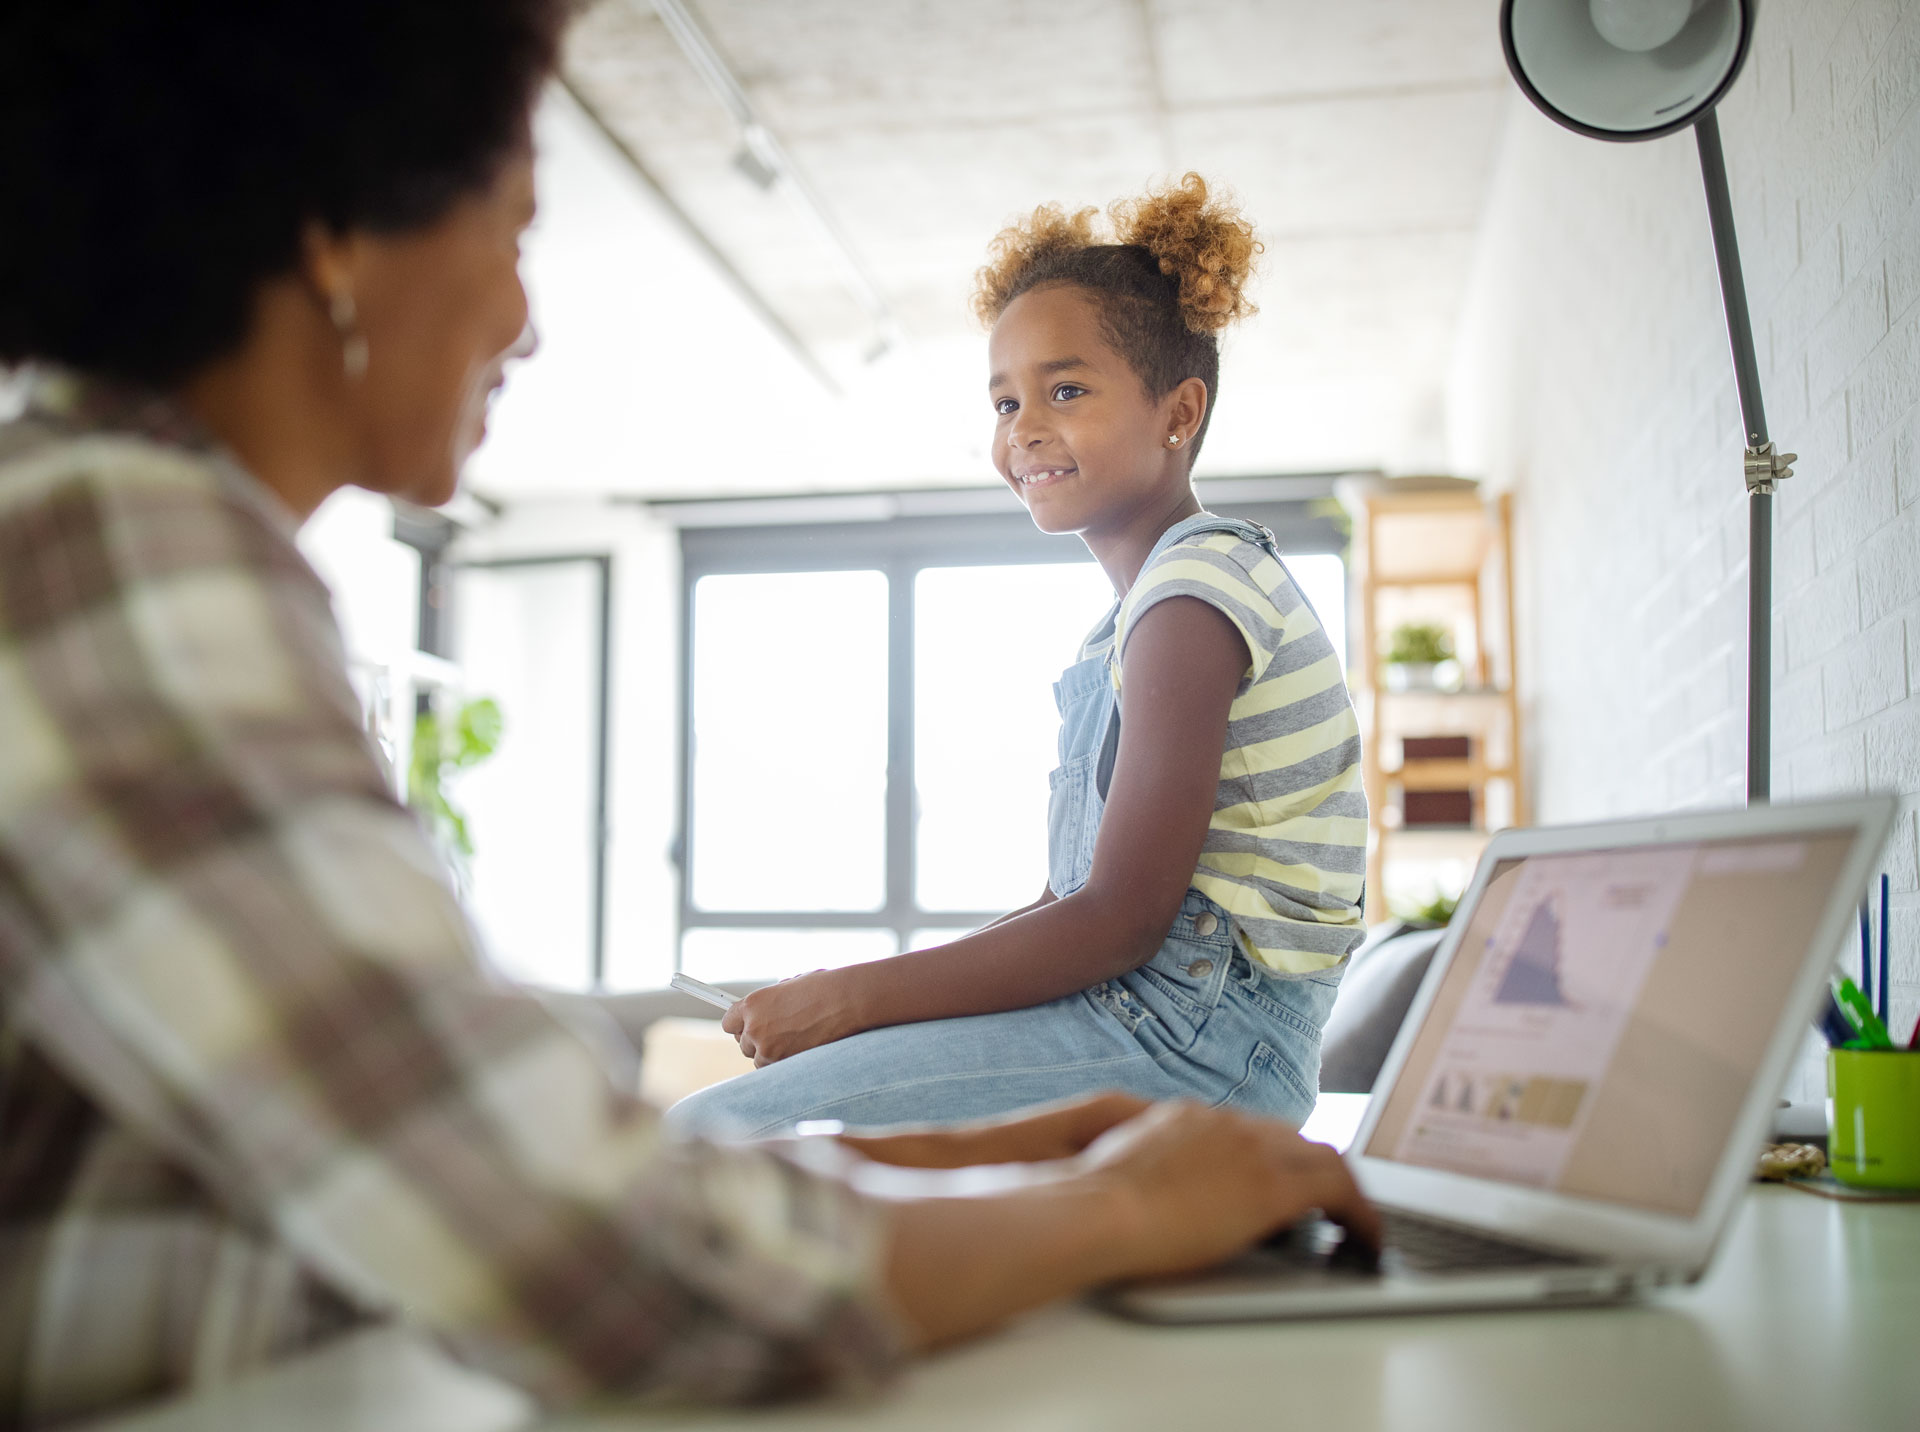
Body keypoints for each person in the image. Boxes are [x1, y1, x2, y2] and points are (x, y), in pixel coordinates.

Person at [0, 4, 1378, 1426]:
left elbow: (497, 1197)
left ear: (1180, 412)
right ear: (340, 236)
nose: (526, 322)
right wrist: (1109, 1209)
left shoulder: (125, 543)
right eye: (516, 231)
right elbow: (603, 1268)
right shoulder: (120, 568)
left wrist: (1025, 1159)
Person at [671, 178, 1368, 1140]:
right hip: (1150, 1019)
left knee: (713, 1139)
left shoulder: (1196, 594)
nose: (1022, 429)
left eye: (1066, 390)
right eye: (1005, 401)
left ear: (1180, 410)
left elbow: (1119, 920)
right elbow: (1066, 903)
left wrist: (855, 999)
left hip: (1203, 1043)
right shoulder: (1125, 628)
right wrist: (852, 1000)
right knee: (769, 1118)